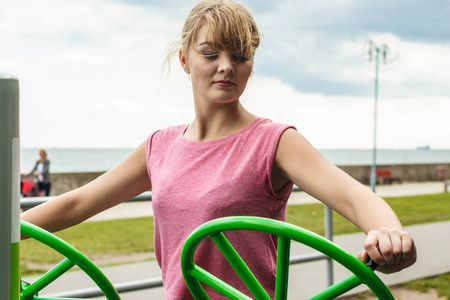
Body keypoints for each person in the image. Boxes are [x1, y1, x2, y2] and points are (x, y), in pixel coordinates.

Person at [21, 0, 416, 299]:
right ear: (185, 60)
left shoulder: (273, 142)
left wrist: (391, 234)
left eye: (240, 56)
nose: (226, 66)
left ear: (250, 65)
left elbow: (355, 196)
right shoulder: (160, 146)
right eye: (210, 53)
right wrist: (9, 230)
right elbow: (78, 203)